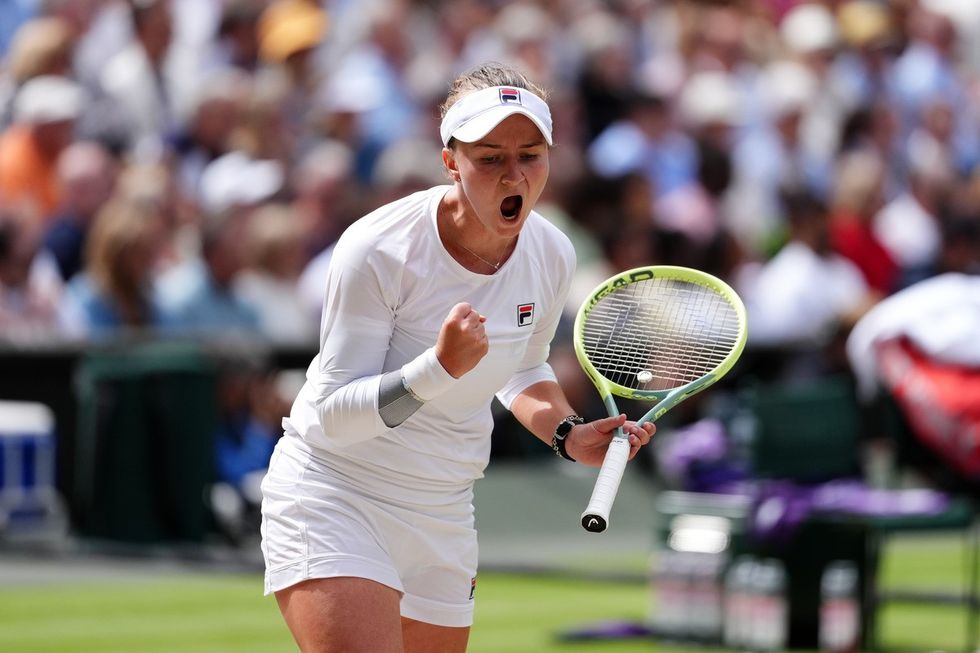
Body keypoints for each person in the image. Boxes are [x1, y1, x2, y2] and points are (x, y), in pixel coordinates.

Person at [260, 62, 656, 653]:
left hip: (443, 508)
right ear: (451, 161)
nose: (513, 174)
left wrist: (567, 433)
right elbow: (333, 415)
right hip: (337, 492)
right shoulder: (377, 247)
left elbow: (524, 367)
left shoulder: (552, 253)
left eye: (531, 155)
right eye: (490, 157)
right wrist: (435, 371)